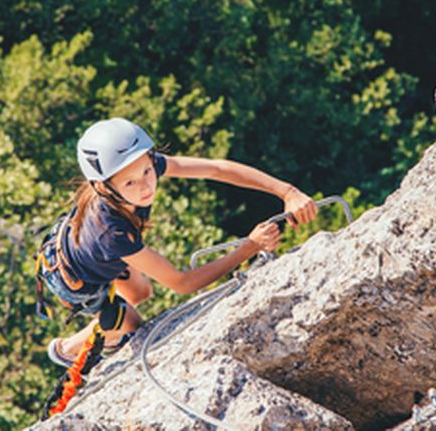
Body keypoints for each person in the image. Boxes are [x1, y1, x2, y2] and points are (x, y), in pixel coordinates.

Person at [39, 117, 318, 368]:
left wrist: (286, 191)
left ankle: (111, 324)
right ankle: (69, 349)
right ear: (102, 187)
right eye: (130, 184)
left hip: (81, 250)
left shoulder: (133, 168)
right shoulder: (111, 233)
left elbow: (217, 169)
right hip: (75, 279)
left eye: (148, 172)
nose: (146, 187)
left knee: (141, 293)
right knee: (132, 326)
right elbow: (181, 283)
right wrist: (249, 247)